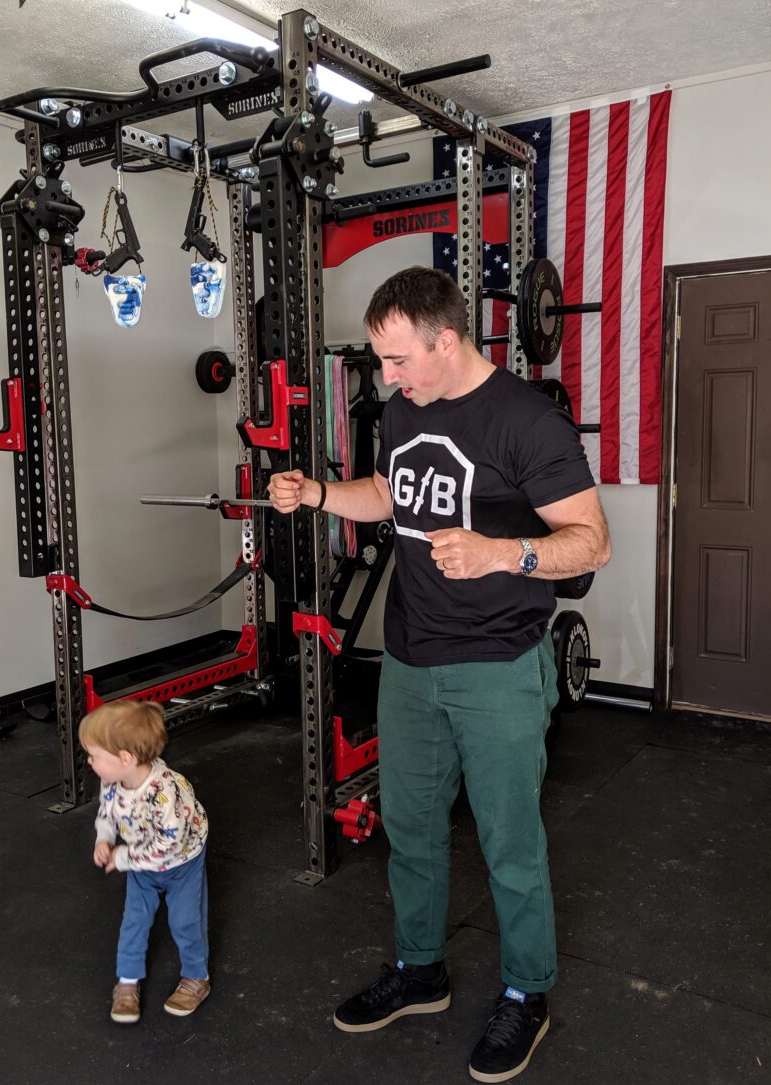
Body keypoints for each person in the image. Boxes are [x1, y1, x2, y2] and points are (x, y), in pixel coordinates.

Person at [268, 266, 611, 1082]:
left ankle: (528, 991)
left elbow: (591, 541)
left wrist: (504, 551)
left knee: (509, 842)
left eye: (397, 360)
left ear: (444, 340)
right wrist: (316, 492)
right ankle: (420, 968)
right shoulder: (402, 407)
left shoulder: (526, 421)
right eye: (384, 363)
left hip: (496, 664)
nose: (387, 377)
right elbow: (392, 493)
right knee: (412, 832)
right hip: (411, 660)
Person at [79, 699, 210, 1025]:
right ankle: (127, 981)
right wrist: (104, 838)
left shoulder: (163, 793)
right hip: (141, 861)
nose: (89, 760)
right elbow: (107, 813)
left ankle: (196, 976)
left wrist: (122, 856)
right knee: (135, 919)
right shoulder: (111, 778)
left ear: (125, 758)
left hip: (181, 861)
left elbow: (169, 843)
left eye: (93, 755)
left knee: (185, 920)